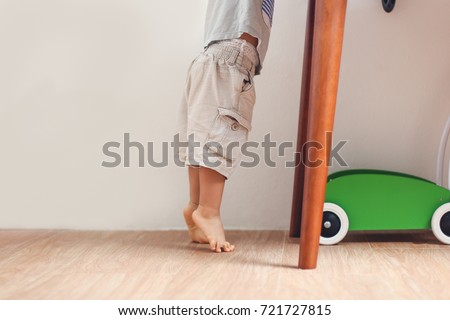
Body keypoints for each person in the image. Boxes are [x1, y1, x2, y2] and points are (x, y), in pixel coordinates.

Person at [176, 0, 275, 253]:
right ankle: (208, 211)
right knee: (218, 138)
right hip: (232, 55)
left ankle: (196, 205)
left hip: (211, 56)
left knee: (202, 135)